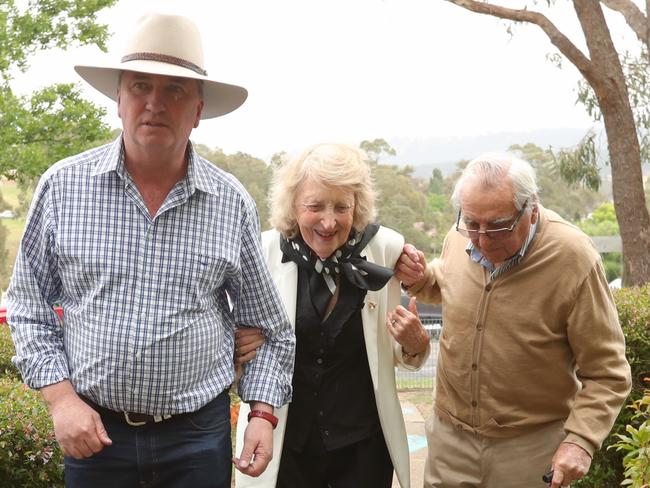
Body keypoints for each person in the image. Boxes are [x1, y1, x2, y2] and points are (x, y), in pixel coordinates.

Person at [6, 12, 295, 488]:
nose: (155, 104)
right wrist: (60, 399)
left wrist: (262, 413)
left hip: (198, 439)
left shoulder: (230, 202)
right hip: (94, 434)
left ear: (198, 110)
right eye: (140, 86)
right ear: (118, 100)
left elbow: (270, 328)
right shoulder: (63, 187)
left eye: (175, 90)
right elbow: (28, 304)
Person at [396, 152, 632, 488]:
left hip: (530, 450)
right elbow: (445, 283)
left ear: (531, 208)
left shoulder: (574, 258)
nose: (481, 238)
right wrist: (419, 278)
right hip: (450, 442)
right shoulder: (461, 234)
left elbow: (608, 372)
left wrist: (580, 439)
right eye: (471, 223)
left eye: (497, 226)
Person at [234, 143, 431, 488]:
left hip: (363, 449)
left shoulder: (387, 250)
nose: (329, 221)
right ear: (293, 205)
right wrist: (235, 344)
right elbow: (226, 334)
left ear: (357, 207)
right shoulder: (260, 253)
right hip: (285, 444)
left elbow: (401, 353)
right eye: (315, 206)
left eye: (342, 206)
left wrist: (415, 344)